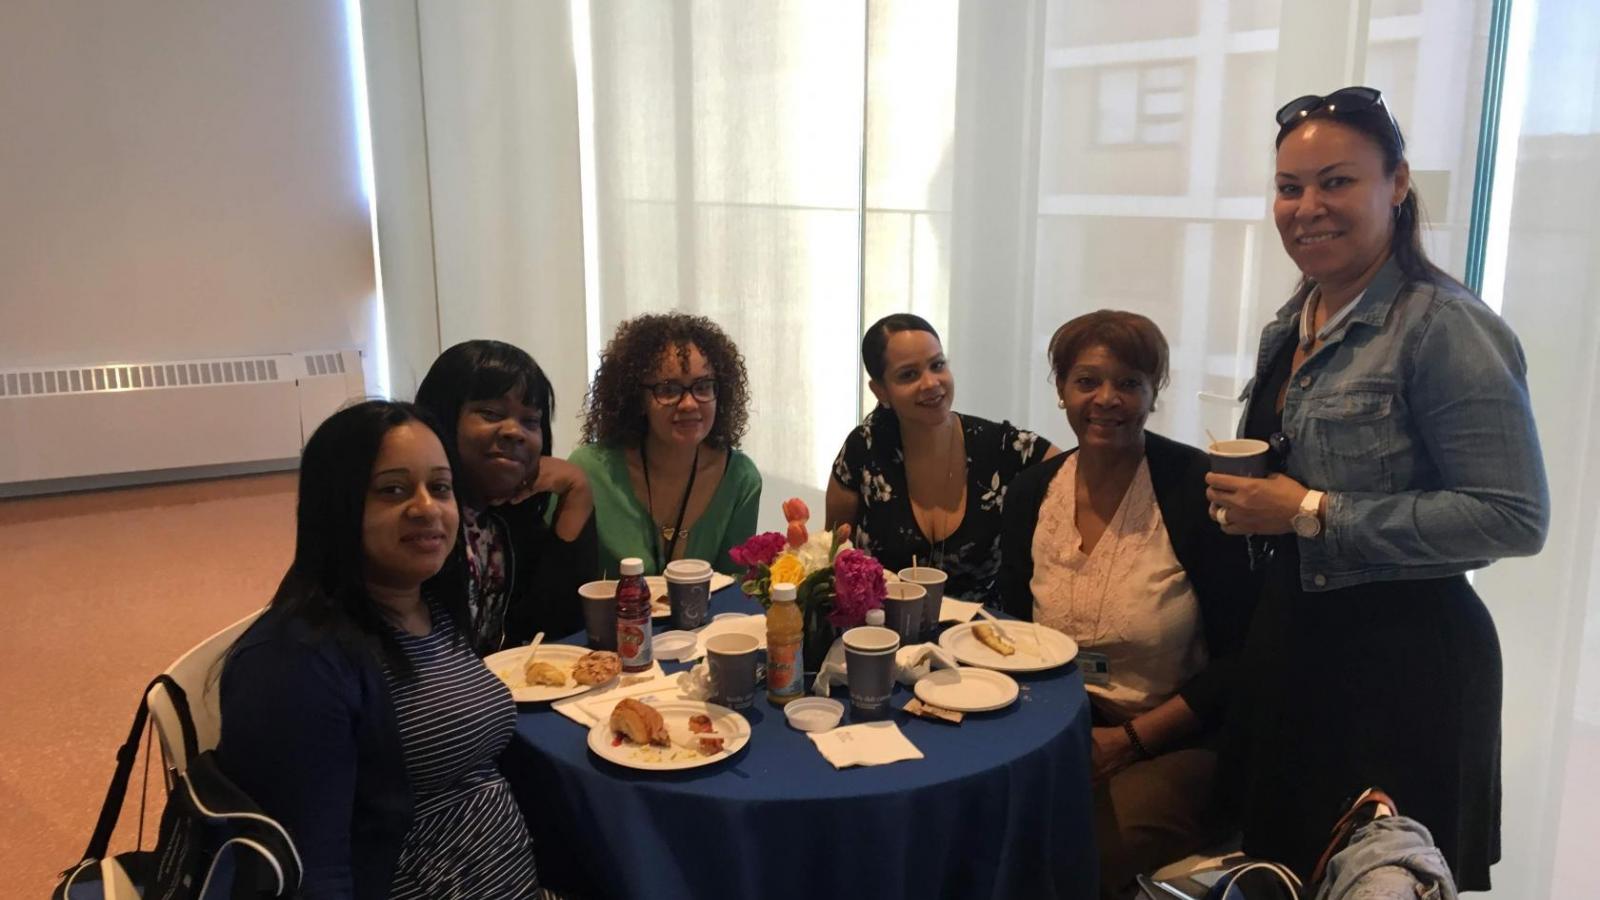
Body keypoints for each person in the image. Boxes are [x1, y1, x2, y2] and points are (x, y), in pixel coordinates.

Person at [1207, 86, 1549, 890]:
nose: (1307, 207)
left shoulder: (1444, 326)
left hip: (1403, 674)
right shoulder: (1294, 322)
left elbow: (1513, 517)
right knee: (1284, 873)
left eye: (1337, 181)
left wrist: (1313, 513)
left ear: (1396, 184)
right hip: (1296, 656)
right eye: (1290, 187)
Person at [217, 400, 538, 899]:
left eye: (440, 488)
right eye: (393, 490)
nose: (427, 508)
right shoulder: (295, 664)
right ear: (338, 506)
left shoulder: (428, 606)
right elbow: (310, 874)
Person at [999, 311, 1254, 897]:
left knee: (1073, 855)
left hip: (1180, 741)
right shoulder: (1031, 493)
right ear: (1061, 388)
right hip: (1057, 727)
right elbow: (1013, 626)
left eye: (1129, 383)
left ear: (1153, 393)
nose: (1106, 399)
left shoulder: (1197, 490)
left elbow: (1242, 659)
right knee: (975, 822)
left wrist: (1130, 741)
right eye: (1087, 381)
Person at [828, 313, 1055, 605]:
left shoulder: (1004, 447)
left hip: (982, 638)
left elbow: (1079, 473)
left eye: (937, 365)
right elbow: (834, 556)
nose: (931, 383)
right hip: (883, 634)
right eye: (908, 375)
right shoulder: (864, 449)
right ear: (880, 390)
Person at [415, 339, 597, 653]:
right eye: (490, 413)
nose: (514, 431)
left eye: (530, 421)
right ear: (442, 418)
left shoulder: (507, 516)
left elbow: (555, 625)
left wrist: (577, 490)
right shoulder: (421, 521)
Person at [571, 313, 761, 575]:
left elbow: (736, 587)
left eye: (703, 386)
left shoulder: (740, 477)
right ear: (637, 398)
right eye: (669, 390)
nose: (689, 404)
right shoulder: (589, 471)